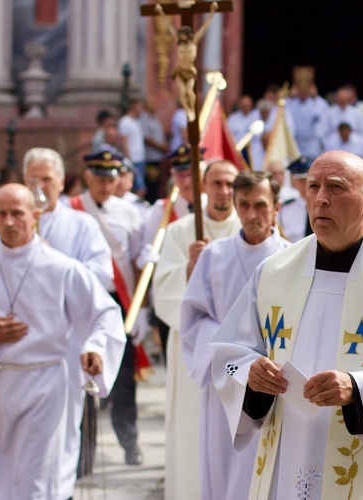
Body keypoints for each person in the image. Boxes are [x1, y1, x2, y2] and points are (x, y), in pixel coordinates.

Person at [211, 151, 363, 499]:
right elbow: (229, 352)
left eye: (337, 187)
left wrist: (358, 389)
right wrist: (251, 375)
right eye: (313, 187)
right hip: (288, 450)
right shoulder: (274, 271)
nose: (321, 198)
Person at [0, 183, 126, 499]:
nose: (10, 221)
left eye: (18, 213)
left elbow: (105, 314)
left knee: (38, 479)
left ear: (35, 215)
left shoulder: (62, 268)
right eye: (2, 213)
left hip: (45, 387)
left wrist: (94, 346)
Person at [0, 147, 115, 488]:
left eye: (47, 179)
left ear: (61, 181)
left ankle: (63, 487)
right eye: (32, 179)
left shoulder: (82, 225)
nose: (40, 187)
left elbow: (101, 276)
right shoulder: (6, 225)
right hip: (12, 354)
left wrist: (54, 268)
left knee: (60, 439)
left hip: (64, 347)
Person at [180, 171, 290, 499]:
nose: (253, 214)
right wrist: (236, 356)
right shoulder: (214, 256)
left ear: (276, 208)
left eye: (261, 205)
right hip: (226, 382)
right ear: (236, 207)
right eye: (245, 205)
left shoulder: (293, 257)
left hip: (274, 380)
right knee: (223, 468)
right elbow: (193, 319)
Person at [152, 159, 241, 500]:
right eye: (216, 183)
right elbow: (163, 294)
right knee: (192, 430)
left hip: (239, 349)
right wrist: (190, 269)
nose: (223, 191)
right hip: (194, 348)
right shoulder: (180, 231)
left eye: (230, 184)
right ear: (203, 188)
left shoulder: (249, 231)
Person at [70, 151, 151, 466]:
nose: (105, 185)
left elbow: (133, 262)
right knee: (85, 374)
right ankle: (83, 455)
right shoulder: (72, 209)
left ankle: (130, 441)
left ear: (119, 179)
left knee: (124, 377)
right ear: (88, 176)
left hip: (120, 302)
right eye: (99, 178)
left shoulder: (131, 213)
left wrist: (141, 308)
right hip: (86, 300)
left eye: (111, 178)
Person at [144, 146, 207, 363]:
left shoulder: (215, 209)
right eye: (182, 175)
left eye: (193, 174)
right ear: (173, 177)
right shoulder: (160, 211)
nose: (188, 181)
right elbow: (148, 252)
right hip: (173, 298)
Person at [173, 1, 218, 121]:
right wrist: (161, 12)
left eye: (183, 34)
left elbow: (205, 27)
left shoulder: (194, 42)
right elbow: (169, 27)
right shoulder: (179, 43)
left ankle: (192, 110)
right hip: (180, 70)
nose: (181, 36)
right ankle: (188, 111)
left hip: (189, 70)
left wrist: (212, 12)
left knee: (190, 92)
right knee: (182, 92)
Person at [140, 96, 170, 204]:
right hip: (150, 157)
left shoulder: (154, 117)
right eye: (152, 103)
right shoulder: (144, 119)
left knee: (157, 183)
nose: (155, 106)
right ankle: (150, 203)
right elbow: (147, 139)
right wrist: (161, 147)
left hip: (158, 157)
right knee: (151, 181)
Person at [286, 84, 328, 158]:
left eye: (305, 91)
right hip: (297, 141)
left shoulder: (315, 103)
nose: (302, 93)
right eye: (300, 91)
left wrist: (316, 97)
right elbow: (283, 110)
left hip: (312, 142)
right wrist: (290, 97)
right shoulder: (292, 103)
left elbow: (324, 110)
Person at [277, 157, 312, 243]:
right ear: (293, 181)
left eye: (308, 179)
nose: (305, 183)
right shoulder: (285, 209)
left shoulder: (324, 205)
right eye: (301, 180)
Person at [118, 97, 147, 198]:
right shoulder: (125, 121)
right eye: (140, 106)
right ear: (133, 107)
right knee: (139, 189)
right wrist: (129, 160)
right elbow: (124, 142)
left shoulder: (137, 122)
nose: (142, 109)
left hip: (140, 159)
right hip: (132, 160)